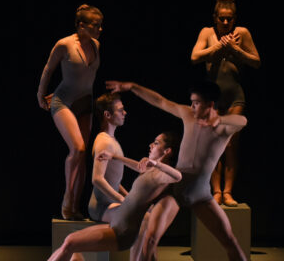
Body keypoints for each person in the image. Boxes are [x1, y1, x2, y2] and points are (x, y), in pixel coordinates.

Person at [106, 80, 248, 261]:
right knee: (150, 239)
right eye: (192, 102)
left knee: (230, 241)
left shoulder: (222, 128)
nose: (192, 106)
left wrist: (220, 119)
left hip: (201, 194)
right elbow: (160, 101)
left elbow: (242, 120)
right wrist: (133, 87)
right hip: (175, 190)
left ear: (210, 105)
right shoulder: (188, 114)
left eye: (196, 103)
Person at [48, 132, 182, 261]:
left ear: (167, 151)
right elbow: (137, 166)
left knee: (71, 242)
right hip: (116, 224)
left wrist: (156, 163)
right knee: (70, 242)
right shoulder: (151, 170)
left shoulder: (162, 175)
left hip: (123, 232)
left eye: (156, 143)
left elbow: (178, 176)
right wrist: (113, 156)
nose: (151, 145)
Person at [190, 0, 260, 206]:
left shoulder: (242, 33)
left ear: (235, 19)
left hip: (234, 97)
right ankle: (216, 190)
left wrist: (236, 50)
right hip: (212, 98)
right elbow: (195, 57)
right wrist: (220, 48)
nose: (226, 23)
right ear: (215, 18)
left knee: (230, 144)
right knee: (213, 146)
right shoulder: (207, 33)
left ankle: (228, 191)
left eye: (230, 19)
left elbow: (256, 61)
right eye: (222, 19)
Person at [37, 4, 103, 220]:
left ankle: (74, 206)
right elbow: (48, 69)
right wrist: (41, 94)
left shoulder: (96, 45)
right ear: (81, 26)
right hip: (63, 101)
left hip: (86, 103)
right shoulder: (64, 44)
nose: (99, 29)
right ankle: (67, 200)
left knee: (83, 156)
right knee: (78, 148)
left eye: (100, 26)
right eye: (95, 25)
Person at [88, 93, 132, 222]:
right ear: (107, 115)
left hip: (111, 204)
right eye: (120, 110)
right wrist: (123, 200)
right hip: (102, 207)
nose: (125, 113)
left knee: (144, 210)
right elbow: (97, 179)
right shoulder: (104, 142)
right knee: (140, 217)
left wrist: (129, 198)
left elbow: (114, 181)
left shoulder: (112, 141)